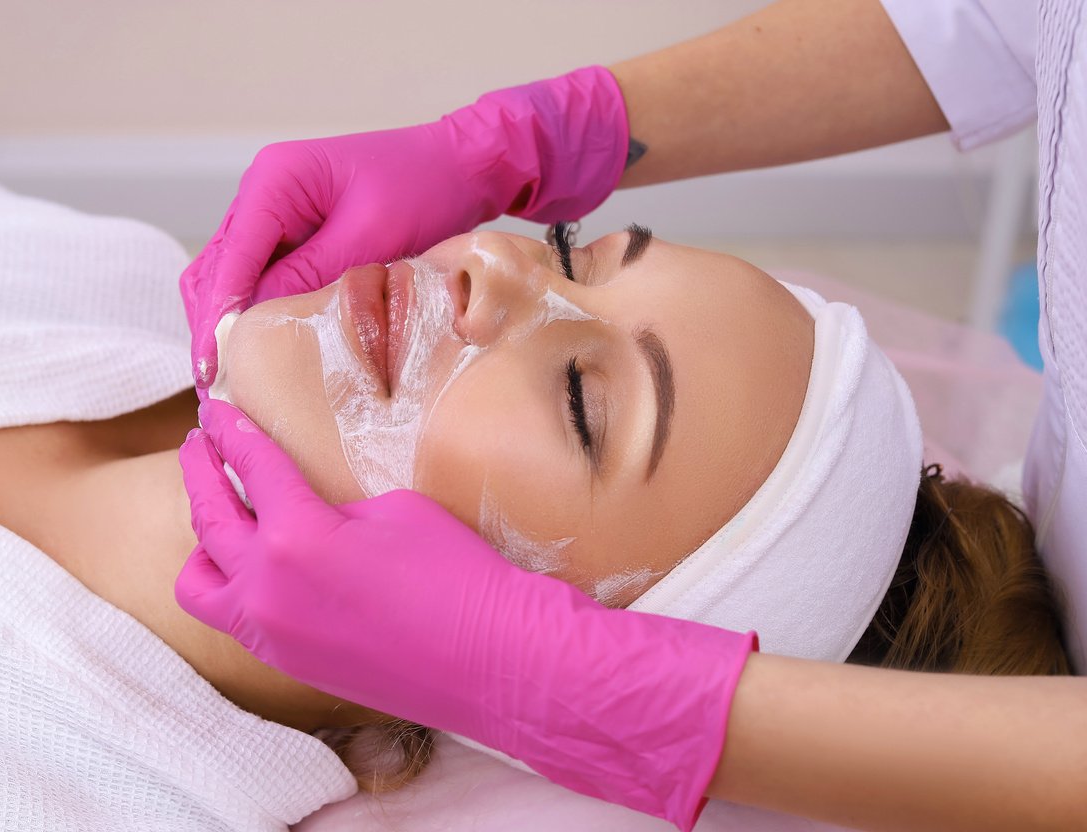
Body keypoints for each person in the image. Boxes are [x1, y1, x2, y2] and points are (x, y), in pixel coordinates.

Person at [177, 0, 1087, 829]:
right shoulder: (73, 275)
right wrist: (537, 136)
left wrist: (591, 695)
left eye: (581, 401)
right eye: (570, 257)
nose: (492, 258)